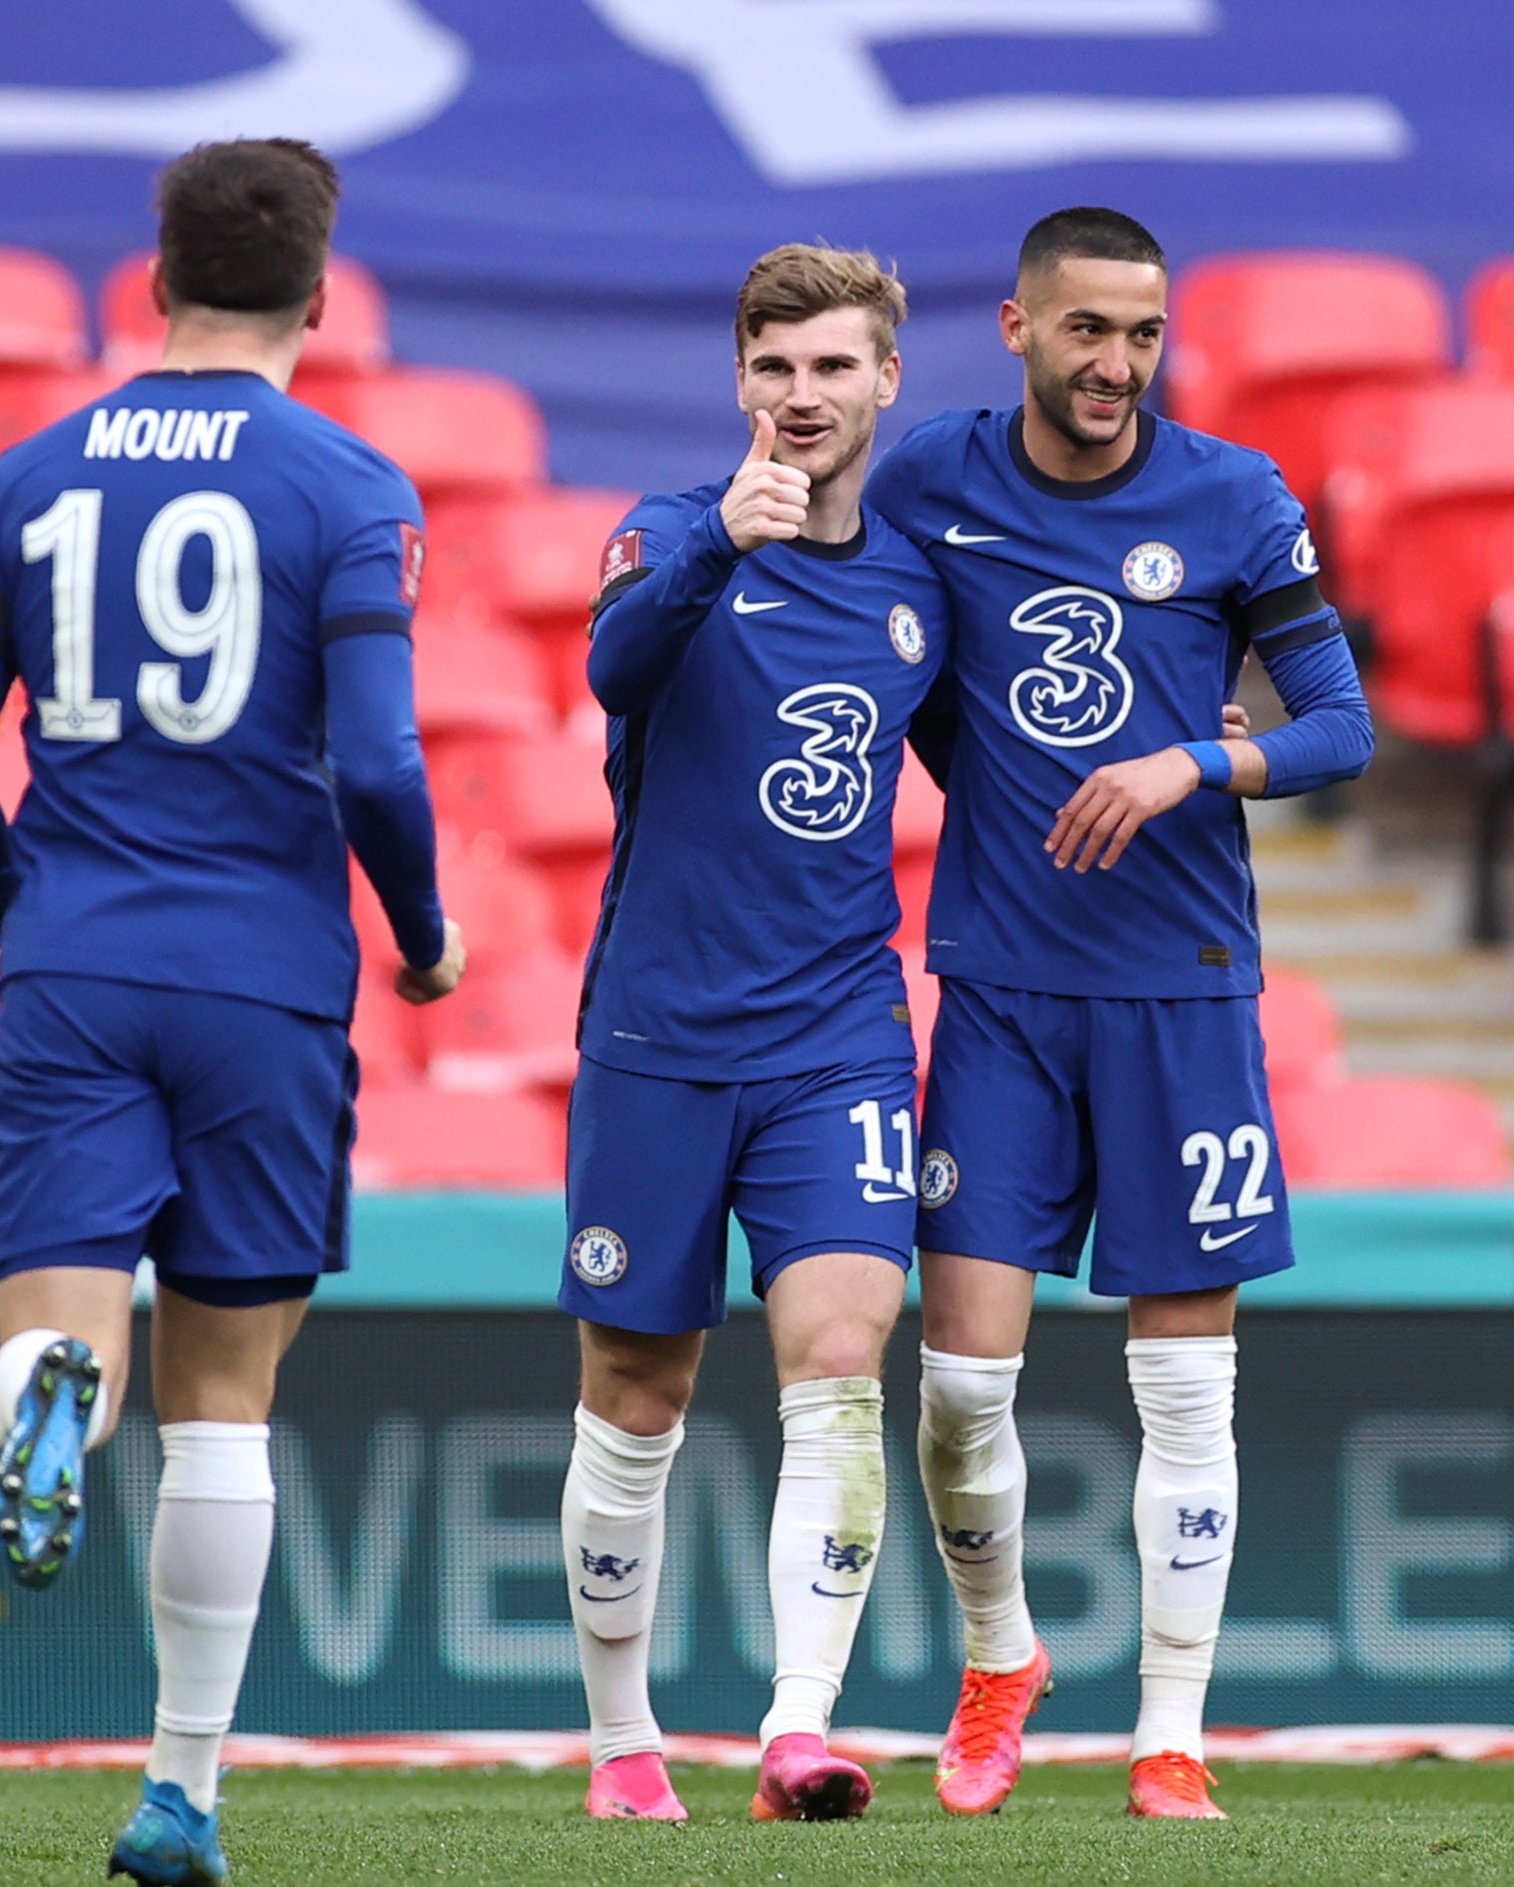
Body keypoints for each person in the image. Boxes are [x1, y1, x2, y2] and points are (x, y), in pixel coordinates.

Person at [0, 137, 464, 1887]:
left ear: (151, 284)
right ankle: (181, 1794)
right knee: (226, 1405)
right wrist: (424, 932)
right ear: (318, 294)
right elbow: (373, 758)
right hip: (264, 983)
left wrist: (37, 921)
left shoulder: (24, 480)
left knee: (63, 1333)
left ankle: (46, 1391)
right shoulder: (350, 486)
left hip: (75, 967)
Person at [864, 206, 1375, 1822]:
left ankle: (1169, 1736)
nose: (1116, 365)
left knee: (1183, 1391)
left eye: (1142, 334)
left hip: (1184, 993)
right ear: (1015, 329)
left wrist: (1192, 760)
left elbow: (1341, 727)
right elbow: (908, 683)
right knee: (957, 1388)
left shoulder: (1232, 497)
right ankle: (998, 1660)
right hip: (1004, 989)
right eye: (1086, 331)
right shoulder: (929, 483)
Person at [556, 244, 951, 1826]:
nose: (802, 398)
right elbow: (613, 666)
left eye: (833, 369)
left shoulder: (921, 583)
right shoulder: (665, 530)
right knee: (636, 1390)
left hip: (837, 1035)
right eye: (775, 368)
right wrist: (715, 551)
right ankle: (620, 1742)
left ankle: (799, 1729)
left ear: (885, 385)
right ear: (738, 381)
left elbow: (984, 766)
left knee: (844, 1359)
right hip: (655, 1035)